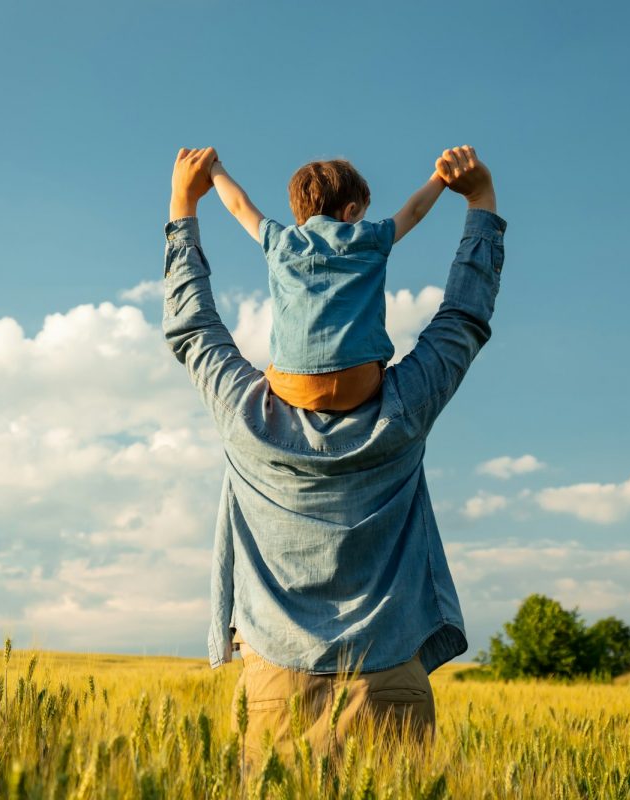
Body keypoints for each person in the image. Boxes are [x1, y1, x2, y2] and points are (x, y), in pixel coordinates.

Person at [163, 145, 505, 770]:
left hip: (273, 698)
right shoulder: (404, 410)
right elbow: (464, 317)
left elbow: (193, 328)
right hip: (391, 686)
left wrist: (184, 207)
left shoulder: (245, 418)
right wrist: (480, 202)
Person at [210, 156, 446, 411]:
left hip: (294, 386)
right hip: (359, 383)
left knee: (270, 370)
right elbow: (414, 211)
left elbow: (238, 205)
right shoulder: (370, 237)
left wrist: (214, 168)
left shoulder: (279, 241)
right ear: (350, 211)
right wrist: (440, 178)